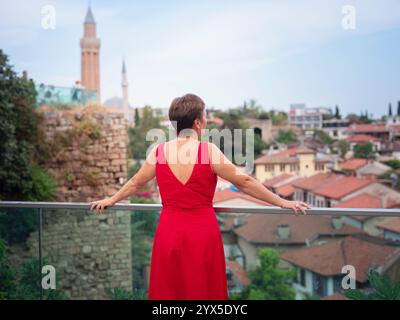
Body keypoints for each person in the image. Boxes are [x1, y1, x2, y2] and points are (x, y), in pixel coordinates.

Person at [90, 93, 311, 300]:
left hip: (169, 233)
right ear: (197, 123)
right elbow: (244, 181)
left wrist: (111, 199)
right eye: (204, 117)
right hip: (202, 234)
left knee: (171, 290)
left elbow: (136, 182)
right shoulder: (209, 152)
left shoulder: (159, 152)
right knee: (203, 289)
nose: (206, 121)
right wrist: (282, 201)